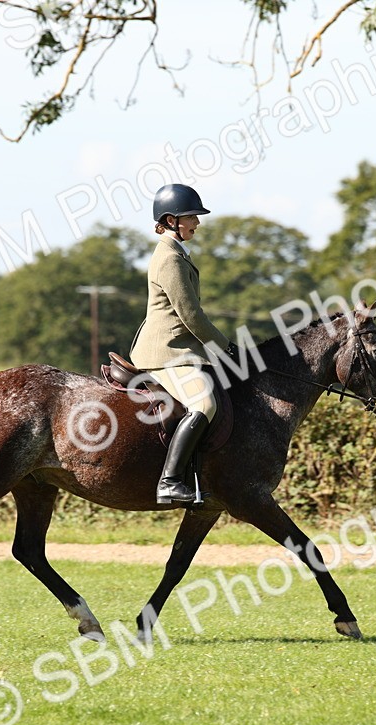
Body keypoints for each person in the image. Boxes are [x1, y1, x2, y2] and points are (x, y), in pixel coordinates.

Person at [129, 184, 238, 505]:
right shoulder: (170, 259)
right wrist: (225, 347)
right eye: (191, 217)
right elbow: (191, 315)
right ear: (170, 220)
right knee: (205, 405)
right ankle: (170, 481)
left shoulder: (177, 254)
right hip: (166, 353)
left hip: (181, 350)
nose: (197, 223)